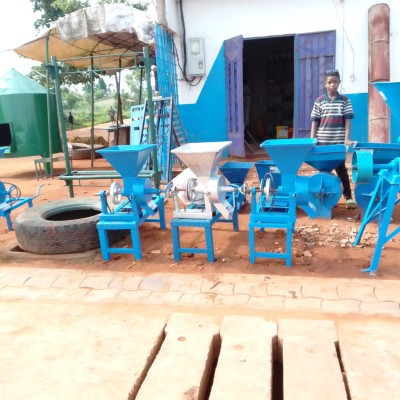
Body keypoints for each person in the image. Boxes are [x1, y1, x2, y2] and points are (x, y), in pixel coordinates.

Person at [310, 69, 356, 209]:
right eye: (329, 82)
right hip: (323, 143)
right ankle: (326, 197)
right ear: (325, 84)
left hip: (337, 144)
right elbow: (315, 122)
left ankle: (348, 196)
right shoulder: (319, 101)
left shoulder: (344, 101)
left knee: (341, 170)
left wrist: (346, 139)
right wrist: (312, 140)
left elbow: (348, 120)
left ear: (339, 83)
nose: (332, 85)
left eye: (335, 82)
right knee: (324, 171)